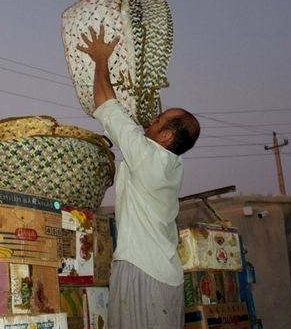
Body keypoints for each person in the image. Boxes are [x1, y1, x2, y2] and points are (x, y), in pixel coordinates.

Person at [77, 25, 200, 329]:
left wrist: (101, 58)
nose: (151, 120)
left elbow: (106, 105)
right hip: (163, 276)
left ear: (168, 136)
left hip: (142, 271)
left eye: (158, 120)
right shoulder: (169, 165)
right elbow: (125, 125)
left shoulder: (149, 159)